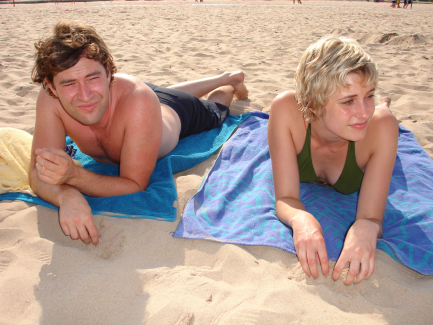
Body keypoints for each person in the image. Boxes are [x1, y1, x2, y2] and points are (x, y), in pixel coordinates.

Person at [30, 20, 248, 246]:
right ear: (52, 86)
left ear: (108, 73)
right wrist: (65, 194)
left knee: (215, 111)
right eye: (69, 84)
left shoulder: (138, 100)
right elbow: (37, 172)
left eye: (92, 78)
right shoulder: (50, 99)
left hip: (175, 114)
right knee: (163, 93)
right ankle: (223, 76)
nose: (84, 96)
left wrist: (73, 178)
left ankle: (228, 83)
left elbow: (134, 185)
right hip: (140, 101)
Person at [267, 36, 398, 285]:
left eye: (369, 95)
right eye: (348, 101)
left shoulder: (379, 127)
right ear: (312, 103)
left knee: (384, 115)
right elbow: (285, 198)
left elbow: (372, 217)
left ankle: (385, 103)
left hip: (380, 132)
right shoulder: (286, 109)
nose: (363, 112)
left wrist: (368, 226)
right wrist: (301, 218)